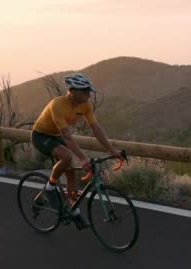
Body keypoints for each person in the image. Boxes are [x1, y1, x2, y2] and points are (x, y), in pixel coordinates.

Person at [31, 73, 123, 229]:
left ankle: (74, 212)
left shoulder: (85, 106)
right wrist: (83, 158)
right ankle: (50, 188)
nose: (89, 94)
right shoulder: (57, 105)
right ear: (73, 91)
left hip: (56, 135)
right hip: (41, 136)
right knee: (67, 157)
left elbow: (96, 128)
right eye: (86, 91)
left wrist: (111, 150)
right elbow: (67, 136)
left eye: (89, 91)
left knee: (71, 175)